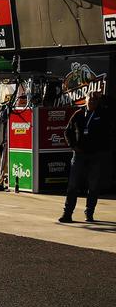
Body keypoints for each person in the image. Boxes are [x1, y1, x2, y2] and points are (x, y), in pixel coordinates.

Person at [59, 91, 112, 223]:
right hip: (79, 154)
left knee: (93, 186)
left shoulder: (102, 113)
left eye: (95, 100)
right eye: (90, 99)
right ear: (85, 100)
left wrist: (103, 97)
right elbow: (67, 131)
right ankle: (67, 214)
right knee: (73, 185)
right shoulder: (78, 114)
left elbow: (111, 108)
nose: (92, 102)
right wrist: (73, 146)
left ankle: (89, 213)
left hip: (96, 155)